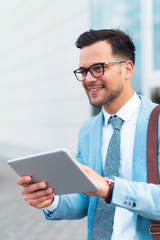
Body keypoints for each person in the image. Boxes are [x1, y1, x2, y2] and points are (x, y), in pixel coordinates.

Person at [17, 29, 160, 240]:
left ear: (127, 69)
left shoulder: (157, 122)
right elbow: (84, 199)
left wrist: (110, 189)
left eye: (98, 68)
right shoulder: (89, 130)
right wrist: (50, 200)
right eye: (84, 71)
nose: (88, 79)